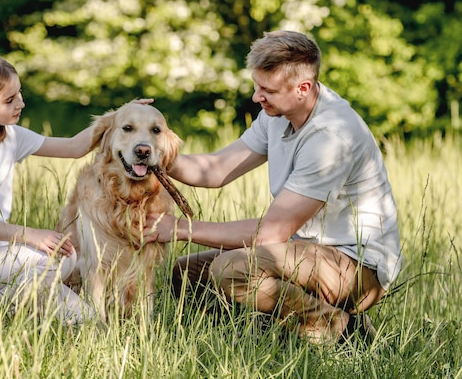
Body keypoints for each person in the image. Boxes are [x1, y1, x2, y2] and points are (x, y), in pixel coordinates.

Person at [144, 30, 402, 344]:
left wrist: (181, 228)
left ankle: (342, 331)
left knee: (230, 270)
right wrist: (151, 149)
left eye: (267, 90)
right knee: (187, 274)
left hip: (356, 268)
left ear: (302, 88)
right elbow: (216, 170)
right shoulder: (279, 113)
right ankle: (242, 338)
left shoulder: (331, 137)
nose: (256, 97)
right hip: (304, 252)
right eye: (256, 86)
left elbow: (270, 235)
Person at [0, 51, 152, 324]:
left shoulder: (10, 136)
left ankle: (10, 302)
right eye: (10, 99)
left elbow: (74, 147)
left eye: (19, 94)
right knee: (52, 265)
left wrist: (120, 114)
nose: (21, 103)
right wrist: (30, 235)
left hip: (0, 259)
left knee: (70, 263)